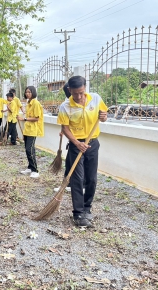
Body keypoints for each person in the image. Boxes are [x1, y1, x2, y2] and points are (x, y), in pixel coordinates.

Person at [57, 76, 108, 228]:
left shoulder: (96, 99)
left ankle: (87, 208)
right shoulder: (65, 106)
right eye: (75, 93)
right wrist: (77, 143)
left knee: (91, 178)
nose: (79, 96)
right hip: (76, 145)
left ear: (85, 88)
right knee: (77, 179)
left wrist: (104, 117)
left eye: (81, 93)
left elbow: (103, 116)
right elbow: (65, 128)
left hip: (92, 143)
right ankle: (78, 213)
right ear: (69, 90)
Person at [18, 86, 44, 178]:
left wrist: (24, 119)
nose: (27, 94)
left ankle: (35, 170)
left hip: (33, 130)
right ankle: (30, 167)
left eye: (29, 92)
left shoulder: (36, 103)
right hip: (27, 129)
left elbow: (36, 118)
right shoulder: (28, 103)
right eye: (26, 92)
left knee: (30, 149)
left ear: (33, 93)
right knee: (27, 149)